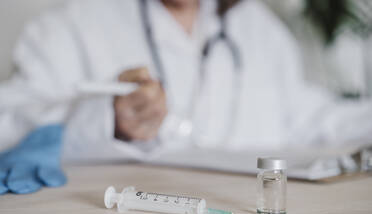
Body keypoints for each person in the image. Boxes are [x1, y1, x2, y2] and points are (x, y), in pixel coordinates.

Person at [0, 0, 372, 193]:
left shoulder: (261, 30)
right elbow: (10, 122)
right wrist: (107, 123)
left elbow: (309, 116)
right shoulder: (73, 24)